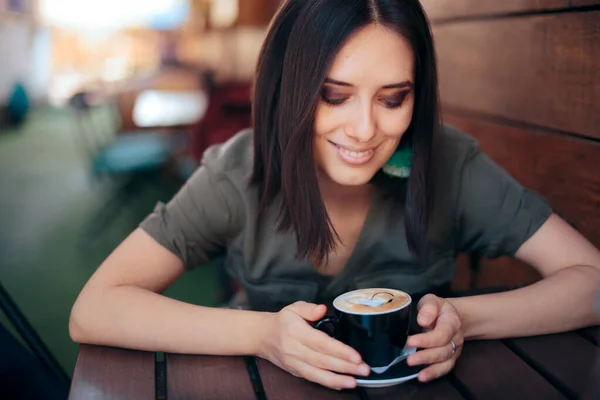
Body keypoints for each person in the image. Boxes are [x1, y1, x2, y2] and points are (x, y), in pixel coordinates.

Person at [69, 0, 600, 391]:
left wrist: (468, 319)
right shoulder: (240, 169)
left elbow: (592, 282)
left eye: (393, 99)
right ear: (289, 88)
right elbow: (95, 308)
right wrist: (264, 335)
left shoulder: (448, 164)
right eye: (334, 96)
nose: (365, 129)